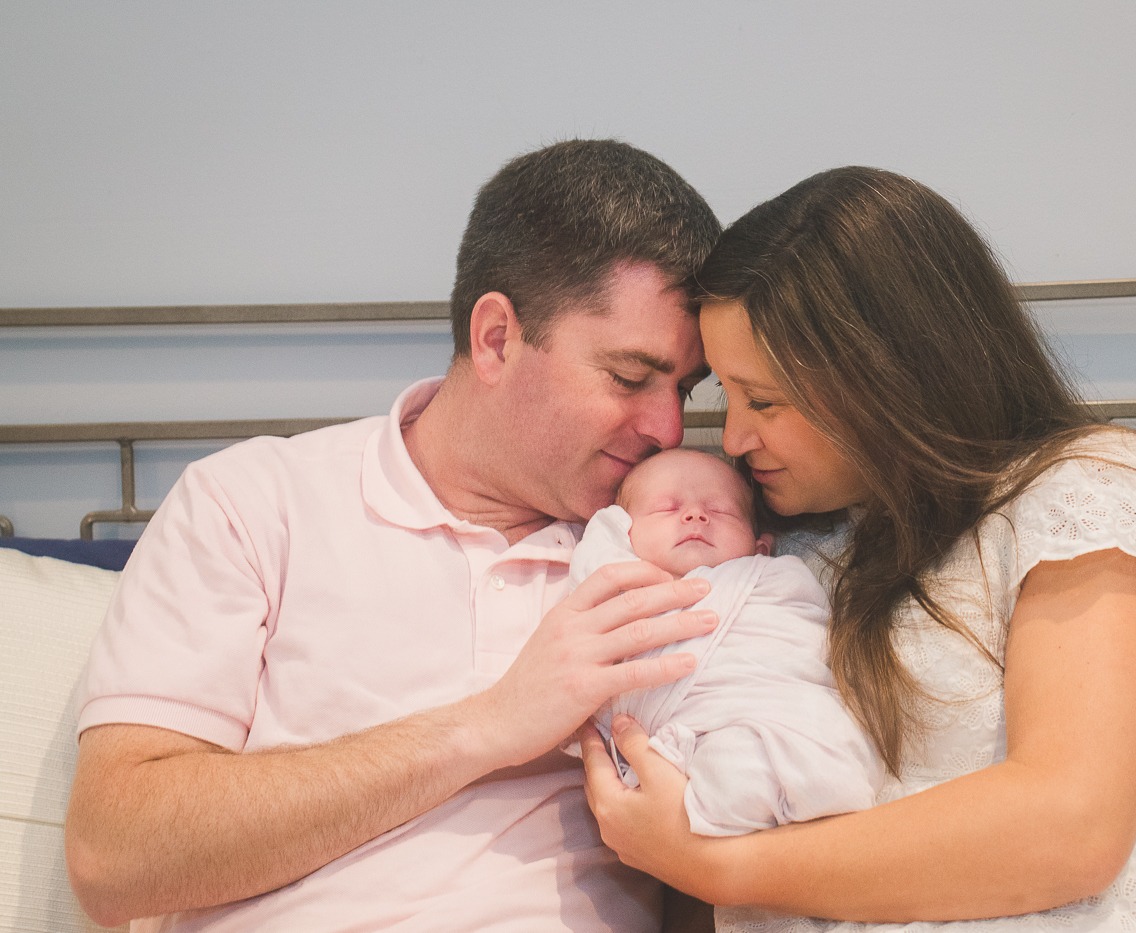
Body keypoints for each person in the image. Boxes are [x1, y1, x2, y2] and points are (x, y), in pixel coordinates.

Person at [580, 167, 1136, 932]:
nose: (734, 438)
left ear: (884, 378)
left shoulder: (1083, 492)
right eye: (726, 394)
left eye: (765, 400)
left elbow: (1071, 823)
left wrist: (709, 864)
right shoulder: (776, 550)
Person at [64, 139, 724, 932]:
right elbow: (112, 859)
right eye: (628, 376)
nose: (669, 427)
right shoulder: (253, 503)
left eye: (684, 388)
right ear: (495, 338)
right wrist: (484, 725)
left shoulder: (682, 540)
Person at [570, 448, 882, 836]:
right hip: (695, 733)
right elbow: (591, 564)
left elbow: (809, 644)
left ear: (760, 548)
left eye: (720, 511)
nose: (695, 516)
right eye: (667, 508)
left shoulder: (778, 578)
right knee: (730, 770)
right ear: (623, 532)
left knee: (817, 749)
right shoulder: (617, 584)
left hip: (774, 706)